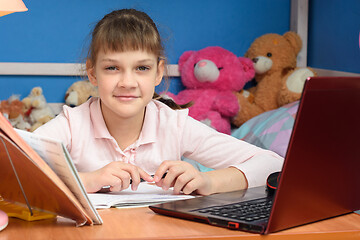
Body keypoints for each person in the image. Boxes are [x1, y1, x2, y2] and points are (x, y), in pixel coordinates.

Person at [34, 9, 283, 195]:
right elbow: (12, 168)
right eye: (112, 68)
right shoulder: (72, 124)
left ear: (158, 72)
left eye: (142, 68)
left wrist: (208, 182)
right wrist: (87, 180)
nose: (127, 82)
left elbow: (274, 164)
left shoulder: (174, 124)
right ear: (92, 74)